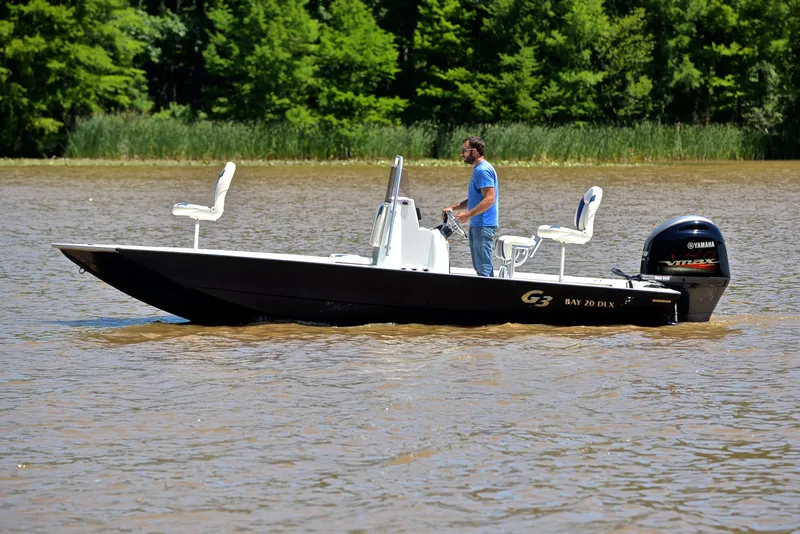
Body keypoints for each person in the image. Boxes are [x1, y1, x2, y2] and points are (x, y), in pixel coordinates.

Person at [442, 136, 499, 277]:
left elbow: (490, 199)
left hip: (483, 225)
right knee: (479, 266)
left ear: (474, 151)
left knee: (483, 267)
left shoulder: (482, 170)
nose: (462, 154)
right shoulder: (478, 170)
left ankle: (489, 296)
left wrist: (468, 215)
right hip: (477, 224)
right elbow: (476, 198)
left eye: (464, 150)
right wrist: (454, 207)